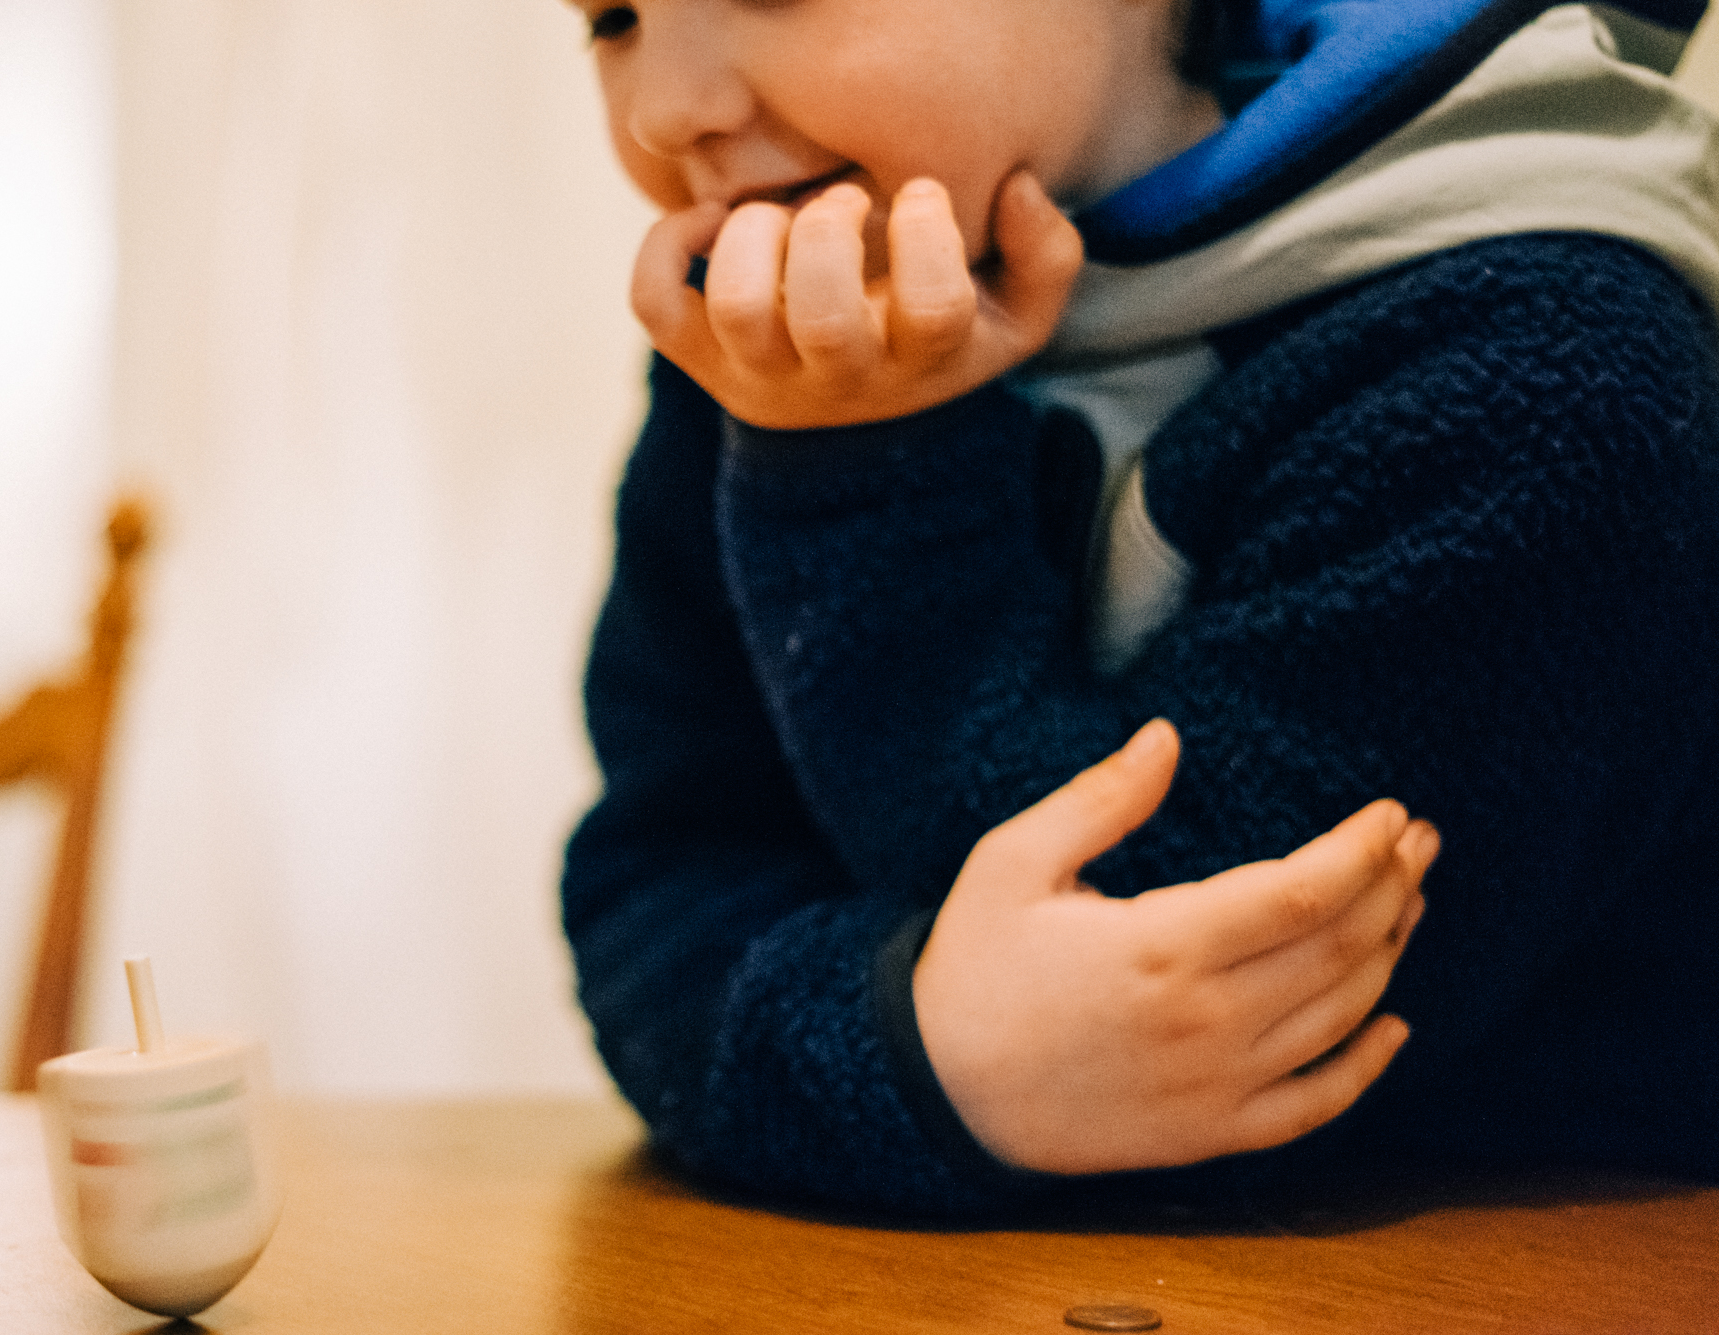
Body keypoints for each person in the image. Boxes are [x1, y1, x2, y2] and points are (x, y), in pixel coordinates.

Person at [561, 0, 1719, 1217]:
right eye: (611, 18)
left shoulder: (1544, 364)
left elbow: (1217, 1018)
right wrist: (906, 1045)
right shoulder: (794, 353)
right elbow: (649, 891)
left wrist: (866, 475)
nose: (665, 108)